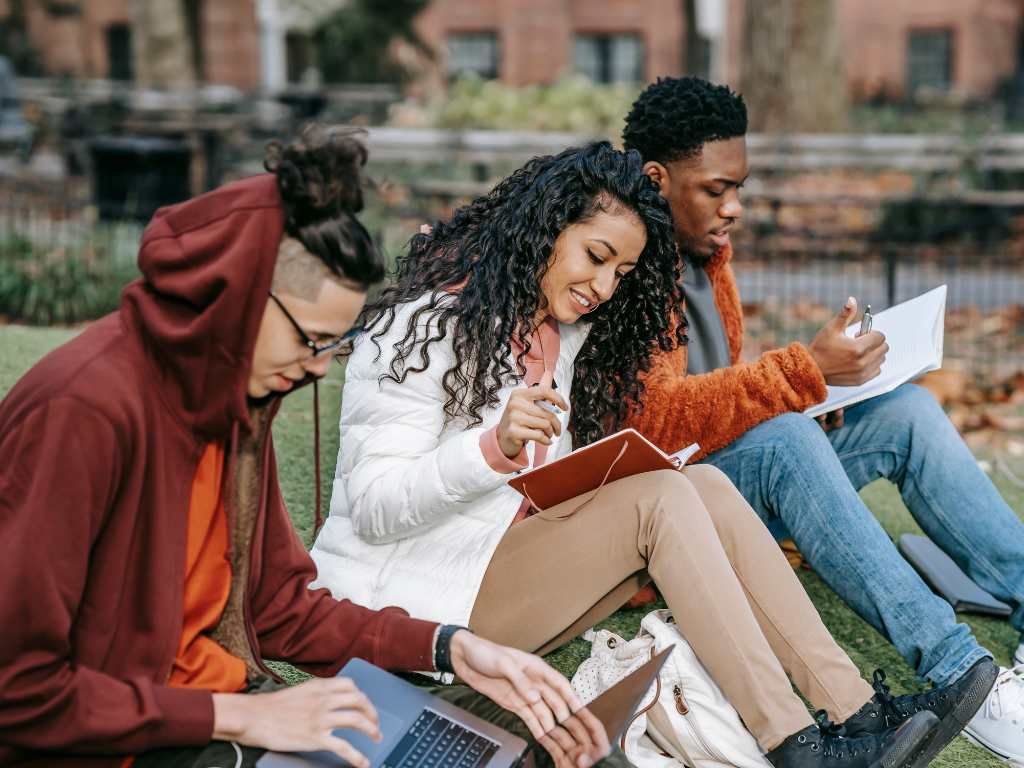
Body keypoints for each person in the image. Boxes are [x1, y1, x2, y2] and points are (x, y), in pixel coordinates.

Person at [310, 141, 952, 768]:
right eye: (595, 255)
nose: (603, 285)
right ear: (543, 229)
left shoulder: (555, 335)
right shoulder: (423, 325)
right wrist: (491, 449)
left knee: (700, 485)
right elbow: (372, 509)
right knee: (661, 499)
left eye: (620, 272)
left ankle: (853, 710)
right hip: (413, 609)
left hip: (485, 569)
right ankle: (795, 745)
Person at [0, 127, 608, 768]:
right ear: (234, 298)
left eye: (331, 345)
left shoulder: (232, 404)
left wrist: (449, 647)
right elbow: (17, 687)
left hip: (220, 708)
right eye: (311, 340)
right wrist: (241, 715)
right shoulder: (83, 410)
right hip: (129, 744)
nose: (319, 367)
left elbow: (279, 609)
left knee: (525, 747)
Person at [619, 74, 1023, 763]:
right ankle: (964, 677)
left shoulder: (706, 254)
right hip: (671, 516)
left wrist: (815, 394)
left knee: (907, 413)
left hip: (732, 469)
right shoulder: (622, 264)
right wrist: (801, 375)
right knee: (783, 440)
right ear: (656, 179)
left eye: (739, 187)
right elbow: (653, 422)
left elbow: (718, 393)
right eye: (717, 189)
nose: (735, 207)